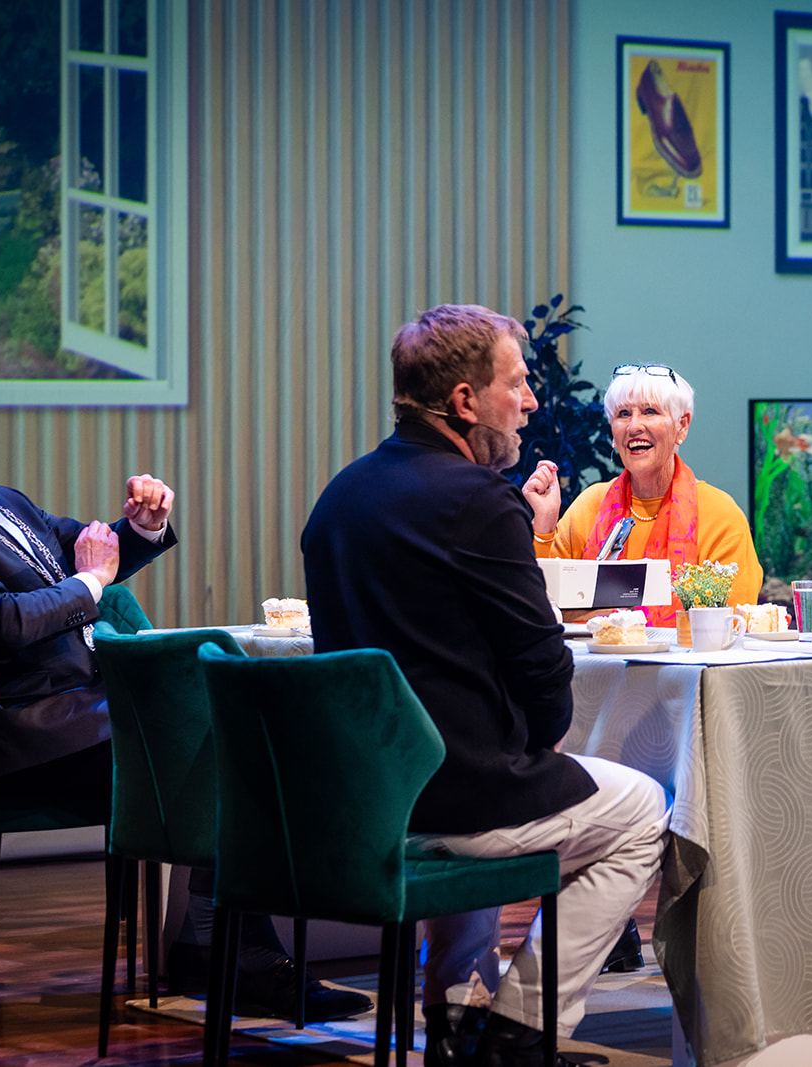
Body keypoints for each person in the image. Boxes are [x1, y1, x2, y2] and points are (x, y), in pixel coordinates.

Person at [0, 361, 368, 1023]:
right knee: (239, 744)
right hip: (30, 736)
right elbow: (9, 620)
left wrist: (137, 526)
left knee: (244, 727)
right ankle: (236, 956)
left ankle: (210, 944)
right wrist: (90, 583)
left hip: (85, 711)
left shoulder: (7, 502)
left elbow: (92, 553)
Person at [302, 304, 670, 1067]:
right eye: (518, 382)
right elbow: (543, 668)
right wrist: (540, 736)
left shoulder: (337, 499)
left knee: (494, 778)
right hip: (457, 798)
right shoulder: (477, 500)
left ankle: (458, 1019)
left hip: (368, 798)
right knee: (642, 808)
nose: (532, 400)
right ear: (466, 402)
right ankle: (518, 1032)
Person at [520, 363, 763, 642]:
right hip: (594, 673)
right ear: (613, 432)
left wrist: (588, 611)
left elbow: (732, 624)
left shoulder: (720, 514)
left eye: (650, 411)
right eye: (623, 414)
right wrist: (544, 525)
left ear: (681, 426)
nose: (635, 426)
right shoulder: (590, 505)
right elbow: (538, 605)